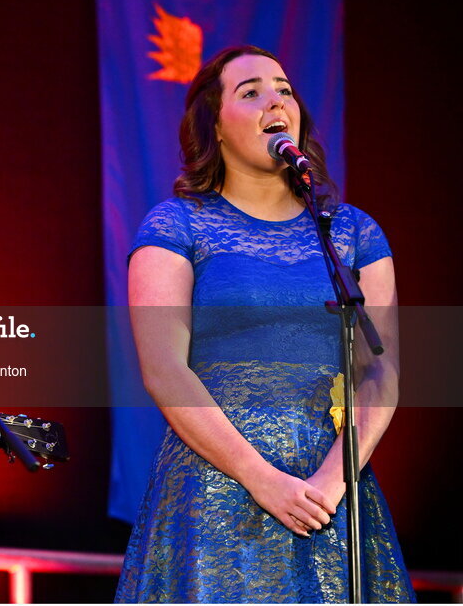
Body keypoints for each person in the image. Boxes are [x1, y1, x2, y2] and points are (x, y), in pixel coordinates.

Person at [115, 46, 414, 602]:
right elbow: (163, 368)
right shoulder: (178, 224)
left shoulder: (352, 233)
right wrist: (259, 477)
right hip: (215, 488)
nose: (275, 99)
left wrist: (331, 482)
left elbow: (381, 371)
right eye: (249, 92)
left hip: (329, 494)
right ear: (216, 129)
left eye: (283, 88)